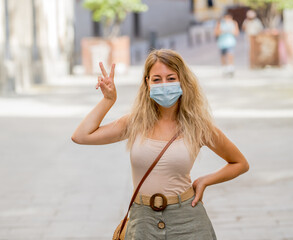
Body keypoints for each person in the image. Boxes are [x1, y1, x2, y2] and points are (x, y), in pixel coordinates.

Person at [71, 49, 249, 240]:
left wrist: (205, 180)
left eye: (171, 78)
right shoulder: (134, 122)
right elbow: (81, 136)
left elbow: (240, 163)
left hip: (188, 219)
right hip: (143, 221)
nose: (164, 84)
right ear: (147, 82)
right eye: (157, 79)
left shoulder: (198, 126)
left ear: (182, 81)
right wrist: (108, 100)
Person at [214, 12, 239, 77]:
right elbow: (216, 33)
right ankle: (224, 69)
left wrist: (230, 31)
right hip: (222, 42)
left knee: (230, 55)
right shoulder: (220, 23)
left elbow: (236, 33)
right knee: (223, 56)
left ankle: (231, 68)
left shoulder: (234, 23)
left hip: (230, 42)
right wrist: (222, 31)